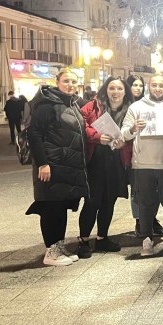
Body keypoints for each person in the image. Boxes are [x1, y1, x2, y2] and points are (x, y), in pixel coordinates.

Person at [25, 69, 88, 266]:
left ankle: (58, 247)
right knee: (51, 207)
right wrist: (43, 163)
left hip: (65, 166)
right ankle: (50, 251)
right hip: (51, 165)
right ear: (57, 82)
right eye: (66, 81)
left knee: (60, 207)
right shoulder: (47, 105)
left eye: (74, 81)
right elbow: (34, 134)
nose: (70, 85)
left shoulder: (72, 104)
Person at [122, 74, 163, 257]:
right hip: (143, 164)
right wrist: (133, 129)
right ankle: (146, 239)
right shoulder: (136, 107)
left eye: (161, 85)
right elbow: (123, 134)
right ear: (149, 86)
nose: (157, 88)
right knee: (145, 204)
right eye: (154, 85)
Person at [77, 77, 134, 258]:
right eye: (112, 88)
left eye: (119, 88)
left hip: (117, 160)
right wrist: (97, 136)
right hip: (96, 159)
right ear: (105, 90)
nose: (115, 92)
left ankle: (102, 238)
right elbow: (81, 124)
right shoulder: (93, 106)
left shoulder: (130, 109)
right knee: (92, 201)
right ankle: (83, 240)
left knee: (109, 202)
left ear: (125, 92)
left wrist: (123, 144)